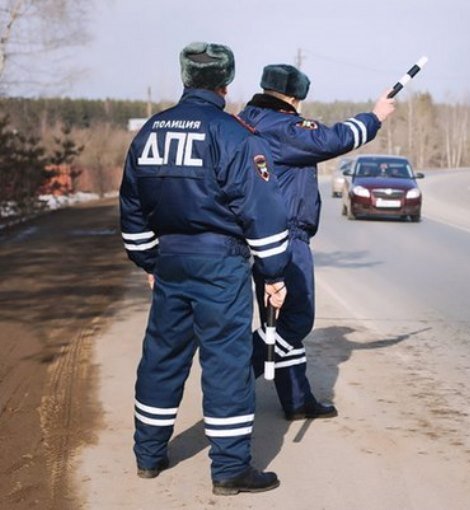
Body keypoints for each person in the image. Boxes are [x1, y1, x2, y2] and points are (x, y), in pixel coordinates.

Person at [119, 42, 290, 496]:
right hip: (220, 266)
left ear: (184, 76)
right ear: (225, 82)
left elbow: (132, 208)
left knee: (161, 358)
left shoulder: (150, 132)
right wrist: (274, 273)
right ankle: (230, 469)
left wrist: (149, 261)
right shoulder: (234, 134)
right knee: (227, 365)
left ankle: (148, 456)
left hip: (170, 264)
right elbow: (261, 209)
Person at [238, 64, 396, 420]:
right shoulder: (283, 125)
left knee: (278, 318)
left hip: (254, 234)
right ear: (293, 98)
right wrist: (374, 117)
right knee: (294, 319)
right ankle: (234, 375)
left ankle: (297, 400)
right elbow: (332, 139)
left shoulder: (245, 119)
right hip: (285, 237)